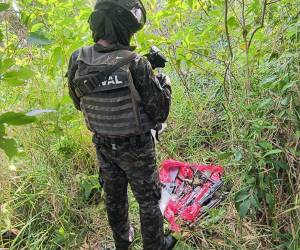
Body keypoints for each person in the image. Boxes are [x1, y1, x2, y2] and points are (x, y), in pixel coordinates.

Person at [67, 0, 176, 249]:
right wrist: (165, 84)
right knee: (149, 201)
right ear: (126, 28)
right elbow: (159, 113)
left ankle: (122, 243)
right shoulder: (136, 63)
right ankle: (155, 245)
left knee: (114, 198)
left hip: (104, 145)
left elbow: (77, 102)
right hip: (137, 147)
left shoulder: (78, 59)